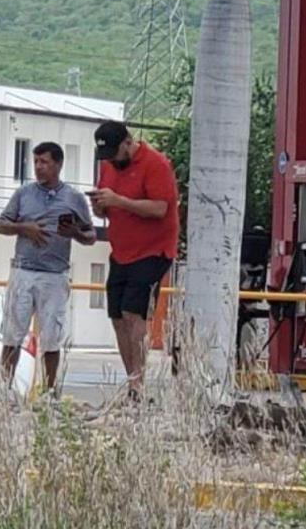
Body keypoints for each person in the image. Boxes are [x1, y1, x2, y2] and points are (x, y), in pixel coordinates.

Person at [88, 121, 179, 402]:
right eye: (107, 157)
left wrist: (120, 200)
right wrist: (100, 205)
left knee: (133, 312)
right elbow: (107, 209)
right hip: (121, 250)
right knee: (116, 315)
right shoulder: (108, 166)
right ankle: (131, 381)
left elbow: (160, 208)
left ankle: (139, 383)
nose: (112, 161)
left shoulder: (155, 164)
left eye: (115, 154)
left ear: (128, 142)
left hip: (153, 249)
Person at [0, 142, 96, 395]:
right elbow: (1, 224)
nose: (39, 167)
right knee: (12, 335)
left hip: (54, 274)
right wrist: (24, 228)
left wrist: (74, 232)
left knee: (51, 337)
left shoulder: (73, 198)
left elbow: (90, 235)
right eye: (36, 162)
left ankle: (50, 393)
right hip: (24, 270)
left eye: (44, 162)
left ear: (58, 165)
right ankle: (2, 391)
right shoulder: (24, 194)